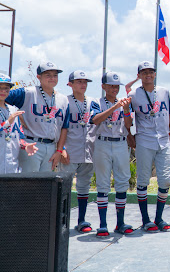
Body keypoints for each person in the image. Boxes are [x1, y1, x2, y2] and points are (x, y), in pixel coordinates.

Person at [126, 61, 170, 233]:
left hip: (163, 140)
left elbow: (169, 113)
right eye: (144, 72)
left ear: (155, 74)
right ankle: (146, 219)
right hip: (144, 140)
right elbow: (128, 119)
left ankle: (159, 218)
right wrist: (130, 136)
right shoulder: (133, 94)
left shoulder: (164, 91)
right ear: (138, 76)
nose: (148, 75)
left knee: (165, 179)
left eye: (151, 72)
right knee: (143, 180)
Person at [90, 71, 133, 238]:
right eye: (111, 85)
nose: (114, 89)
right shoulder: (97, 102)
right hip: (102, 142)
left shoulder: (123, 102)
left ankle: (120, 223)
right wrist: (115, 107)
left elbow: (128, 125)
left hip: (120, 142)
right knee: (103, 183)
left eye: (117, 86)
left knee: (122, 181)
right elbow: (95, 119)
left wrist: (127, 108)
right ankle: (102, 224)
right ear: (103, 87)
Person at [6, 61, 69, 172]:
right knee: (27, 184)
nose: (52, 78)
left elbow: (64, 127)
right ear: (38, 77)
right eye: (48, 75)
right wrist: (16, 116)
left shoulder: (63, 100)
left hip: (51, 147)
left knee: (44, 186)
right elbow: (4, 97)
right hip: (31, 143)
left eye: (55, 75)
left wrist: (59, 151)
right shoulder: (27, 93)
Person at [60, 71, 97, 234]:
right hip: (70, 150)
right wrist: (62, 149)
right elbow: (58, 127)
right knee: (64, 188)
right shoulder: (64, 102)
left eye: (85, 81)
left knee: (84, 187)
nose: (83, 84)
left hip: (88, 151)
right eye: (78, 81)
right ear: (70, 84)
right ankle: (62, 221)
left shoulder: (93, 102)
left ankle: (81, 220)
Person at [0, 74, 37, 174]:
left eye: (6, 88)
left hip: (11, 166)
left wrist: (26, 146)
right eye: (0, 88)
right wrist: (7, 122)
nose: (3, 91)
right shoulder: (12, 116)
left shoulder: (13, 110)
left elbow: (18, 137)